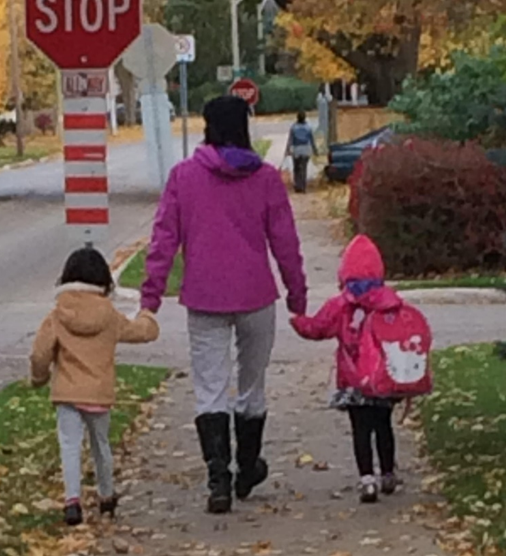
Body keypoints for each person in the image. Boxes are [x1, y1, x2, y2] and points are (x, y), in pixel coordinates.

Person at [141, 95, 307, 514]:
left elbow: (164, 240)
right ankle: (248, 466)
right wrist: (297, 294)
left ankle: (218, 477)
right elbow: (285, 242)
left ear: (208, 127)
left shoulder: (184, 177)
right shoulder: (265, 178)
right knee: (252, 385)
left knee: (210, 387)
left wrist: (151, 298)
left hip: (204, 295)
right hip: (256, 296)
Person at [30, 248, 160, 526]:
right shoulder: (110, 316)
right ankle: (106, 495)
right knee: (101, 445)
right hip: (99, 393)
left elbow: (40, 353)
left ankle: (72, 501)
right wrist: (148, 316)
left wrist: (38, 378)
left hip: (67, 393)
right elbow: (140, 332)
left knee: (69, 445)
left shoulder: (57, 315)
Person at [289, 235, 402, 503]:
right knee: (383, 426)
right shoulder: (390, 302)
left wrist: (298, 320)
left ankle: (367, 480)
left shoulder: (340, 305)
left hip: (353, 380)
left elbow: (318, 328)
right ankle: (388, 472)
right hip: (382, 378)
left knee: (360, 429)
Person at [285, 111, 319, 193]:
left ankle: (297, 186)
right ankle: (303, 186)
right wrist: (315, 150)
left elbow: (290, 140)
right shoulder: (308, 127)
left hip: (296, 149)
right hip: (306, 150)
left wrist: (287, 150)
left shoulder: (293, 127)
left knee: (296, 168)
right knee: (304, 168)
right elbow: (312, 140)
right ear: (304, 118)